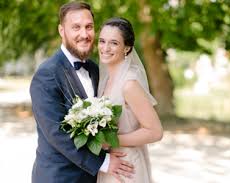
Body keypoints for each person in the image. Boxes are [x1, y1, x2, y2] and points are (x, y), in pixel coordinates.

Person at [30, 2, 134, 183]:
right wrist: (105, 162)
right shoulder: (47, 74)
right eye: (76, 27)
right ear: (62, 31)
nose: (84, 34)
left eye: (89, 27)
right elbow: (57, 134)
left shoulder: (95, 69)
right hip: (59, 177)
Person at [97, 17, 163, 183]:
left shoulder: (129, 84)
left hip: (127, 166)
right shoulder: (105, 80)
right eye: (102, 41)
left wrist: (110, 141)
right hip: (111, 163)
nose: (105, 48)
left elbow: (155, 131)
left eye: (114, 43)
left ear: (127, 48)